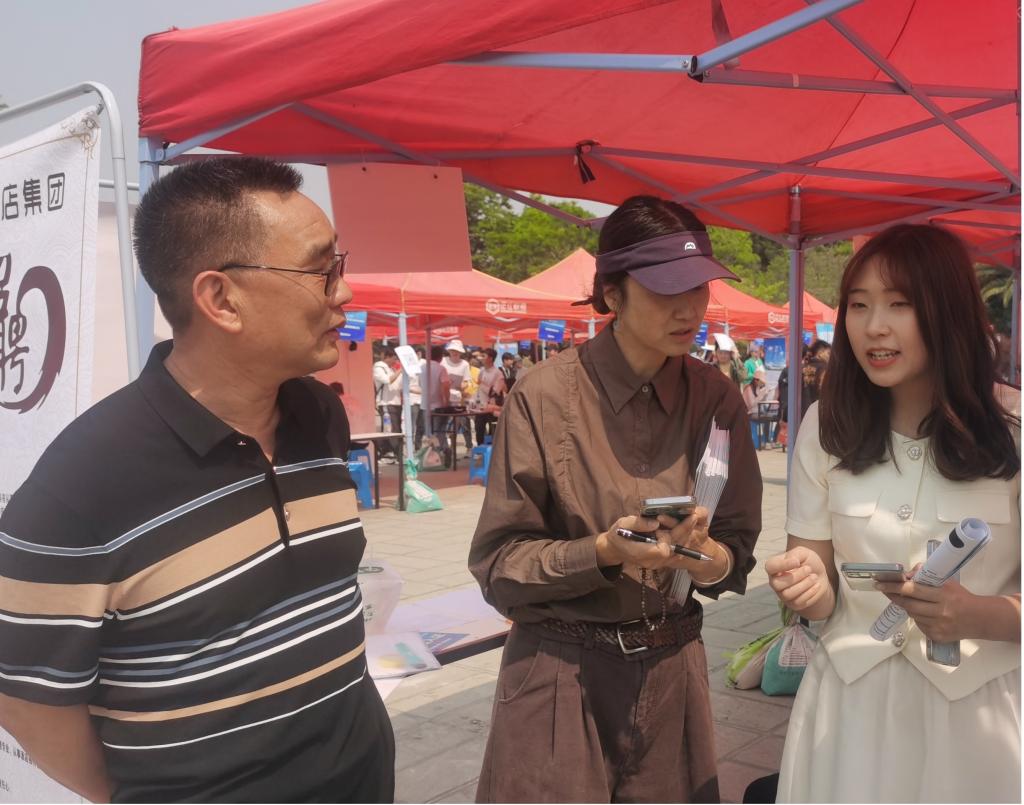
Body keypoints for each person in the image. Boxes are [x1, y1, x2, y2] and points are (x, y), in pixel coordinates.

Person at [0, 158, 395, 802]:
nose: (344, 292)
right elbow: (27, 701)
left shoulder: (317, 414)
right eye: (321, 271)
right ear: (221, 299)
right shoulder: (80, 488)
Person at [469, 195, 762, 803]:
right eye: (665, 289)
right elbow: (499, 566)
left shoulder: (717, 399)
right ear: (612, 293)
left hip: (673, 668)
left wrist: (708, 558)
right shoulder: (543, 396)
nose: (689, 308)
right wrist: (602, 551)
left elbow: (734, 546)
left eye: (699, 287)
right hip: (560, 670)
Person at [765, 224, 1020, 803]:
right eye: (858, 305)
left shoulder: (1014, 428)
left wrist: (978, 615)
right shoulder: (825, 426)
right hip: (848, 713)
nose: (874, 326)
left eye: (899, 304)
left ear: (947, 310)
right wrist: (806, 588)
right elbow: (818, 581)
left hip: (978, 721)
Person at [441, 339, 474, 450]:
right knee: (444, 423)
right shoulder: (443, 361)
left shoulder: (464, 364)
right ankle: (446, 446)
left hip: (458, 397)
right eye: (453, 350)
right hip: (444, 396)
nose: (455, 353)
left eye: (457, 351)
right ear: (449, 351)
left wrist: (462, 386)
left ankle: (469, 446)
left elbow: (467, 381)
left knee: (463, 421)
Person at [372, 346, 403, 460]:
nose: (395, 361)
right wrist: (401, 370)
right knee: (391, 429)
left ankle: (389, 451)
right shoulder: (378, 367)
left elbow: (398, 385)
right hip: (386, 403)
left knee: (396, 428)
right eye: (394, 358)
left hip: (396, 403)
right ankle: (393, 452)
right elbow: (387, 380)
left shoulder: (392, 369)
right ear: (387, 357)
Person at [472, 348, 507, 445]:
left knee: (493, 432)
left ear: (491, 358)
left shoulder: (498, 373)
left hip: (492, 407)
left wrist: (482, 384)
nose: (481, 358)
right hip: (480, 406)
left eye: (484, 356)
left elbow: (495, 392)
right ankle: (480, 448)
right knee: (479, 429)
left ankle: (493, 450)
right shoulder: (482, 370)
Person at [799, 338, 830, 416]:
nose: (830, 356)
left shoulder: (801, 369)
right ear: (820, 352)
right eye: (828, 353)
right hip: (819, 414)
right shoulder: (826, 370)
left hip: (800, 413)